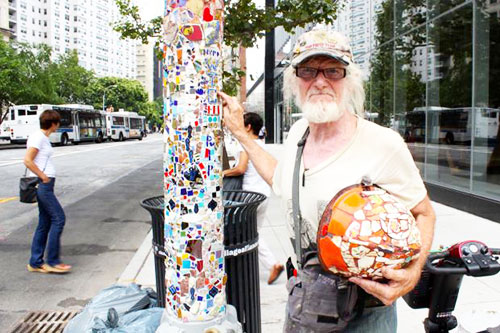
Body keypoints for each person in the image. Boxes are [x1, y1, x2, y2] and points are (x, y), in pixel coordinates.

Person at [219, 29, 435, 332]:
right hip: (305, 301)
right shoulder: (298, 134)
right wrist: (241, 134)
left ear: (349, 79)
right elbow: (282, 181)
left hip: (366, 314)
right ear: (295, 82)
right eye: (308, 71)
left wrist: (413, 274)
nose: (320, 81)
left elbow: (424, 212)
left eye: (333, 70)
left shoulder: (384, 143)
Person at [223, 112, 285, 284]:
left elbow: (241, 169)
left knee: (248, 233)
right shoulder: (261, 145)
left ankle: (272, 264)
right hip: (263, 195)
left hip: (249, 197)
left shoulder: (246, 145)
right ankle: (269, 264)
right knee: (253, 231)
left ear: (248, 127)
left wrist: (223, 172)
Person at [24, 110, 71, 274]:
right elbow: (27, 160)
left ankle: (35, 262)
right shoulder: (38, 137)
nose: (58, 125)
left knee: (44, 223)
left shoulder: (42, 137)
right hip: (42, 185)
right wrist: (43, 177)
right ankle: (53, 261)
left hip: (45, 184)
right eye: (57, 122)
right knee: (59, 218)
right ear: (53, 123)